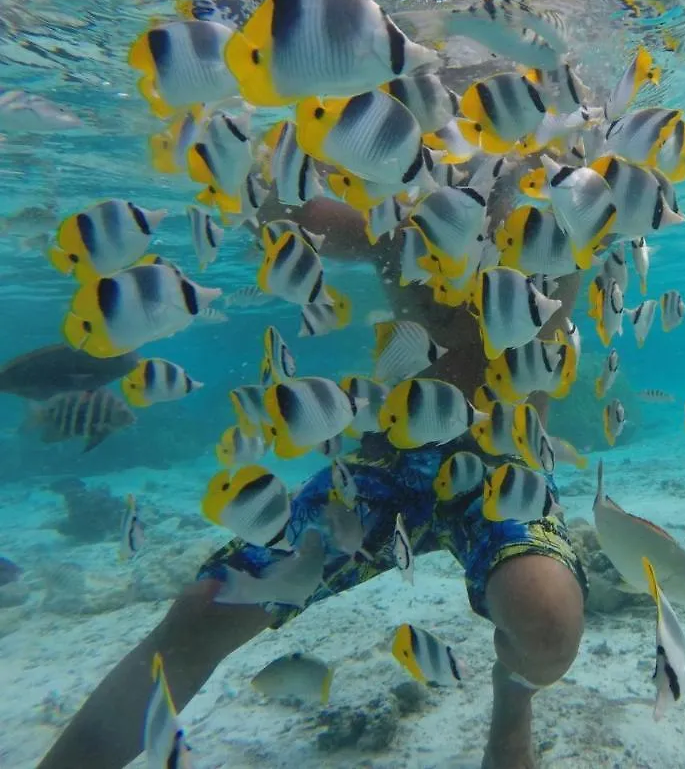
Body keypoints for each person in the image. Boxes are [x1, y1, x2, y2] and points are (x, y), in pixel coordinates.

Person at [38, 188, 588, 769]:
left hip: (503, 478)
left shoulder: (573, 201)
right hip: (387, 469)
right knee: (204, 610)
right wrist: (263, 179)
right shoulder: (409, 204)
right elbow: (291, 216)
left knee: (548, 624)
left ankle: (512, 698)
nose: (461, 96)